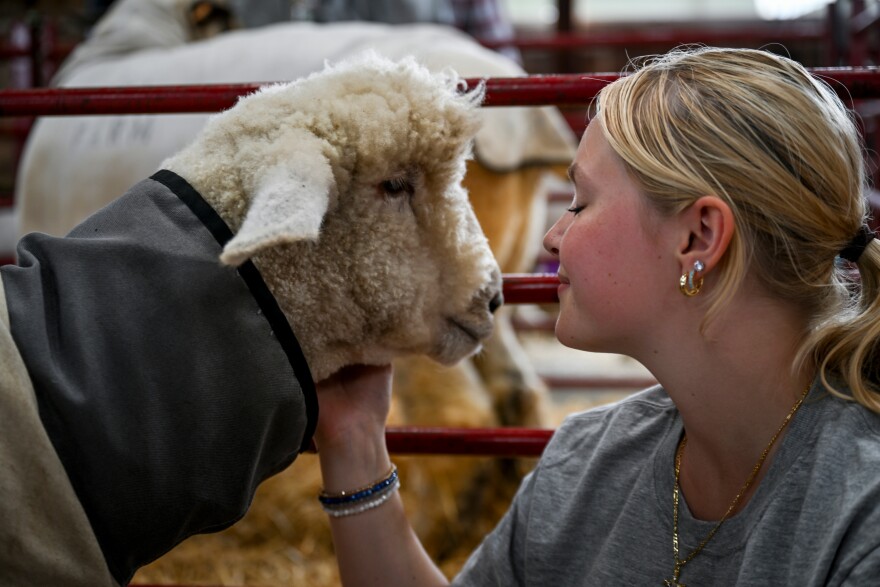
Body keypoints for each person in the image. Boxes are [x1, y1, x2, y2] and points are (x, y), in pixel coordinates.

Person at [312, 46, 880, 586]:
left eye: (580, 202)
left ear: (699, 236)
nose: (554, 236)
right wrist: (354, 436)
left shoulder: (861, 517)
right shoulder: (585, 464)